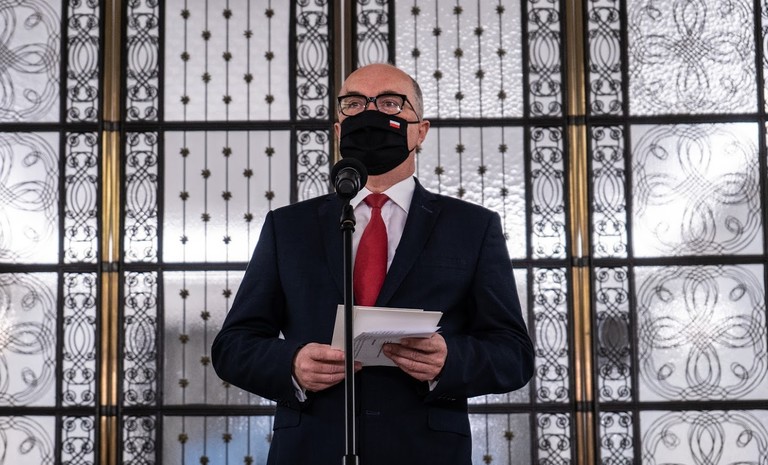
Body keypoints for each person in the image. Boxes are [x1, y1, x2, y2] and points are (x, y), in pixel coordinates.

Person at [211, 63, 534, 465]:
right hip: (311, 451)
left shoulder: (472, 227)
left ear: (420, 131)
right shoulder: (288, 227)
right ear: (338, 129)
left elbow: (514, 354)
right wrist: (291, 364)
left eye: (390, 103)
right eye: (354, 104)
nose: (370, 114)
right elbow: (233, 346)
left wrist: (450, 360)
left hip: (426, 453)